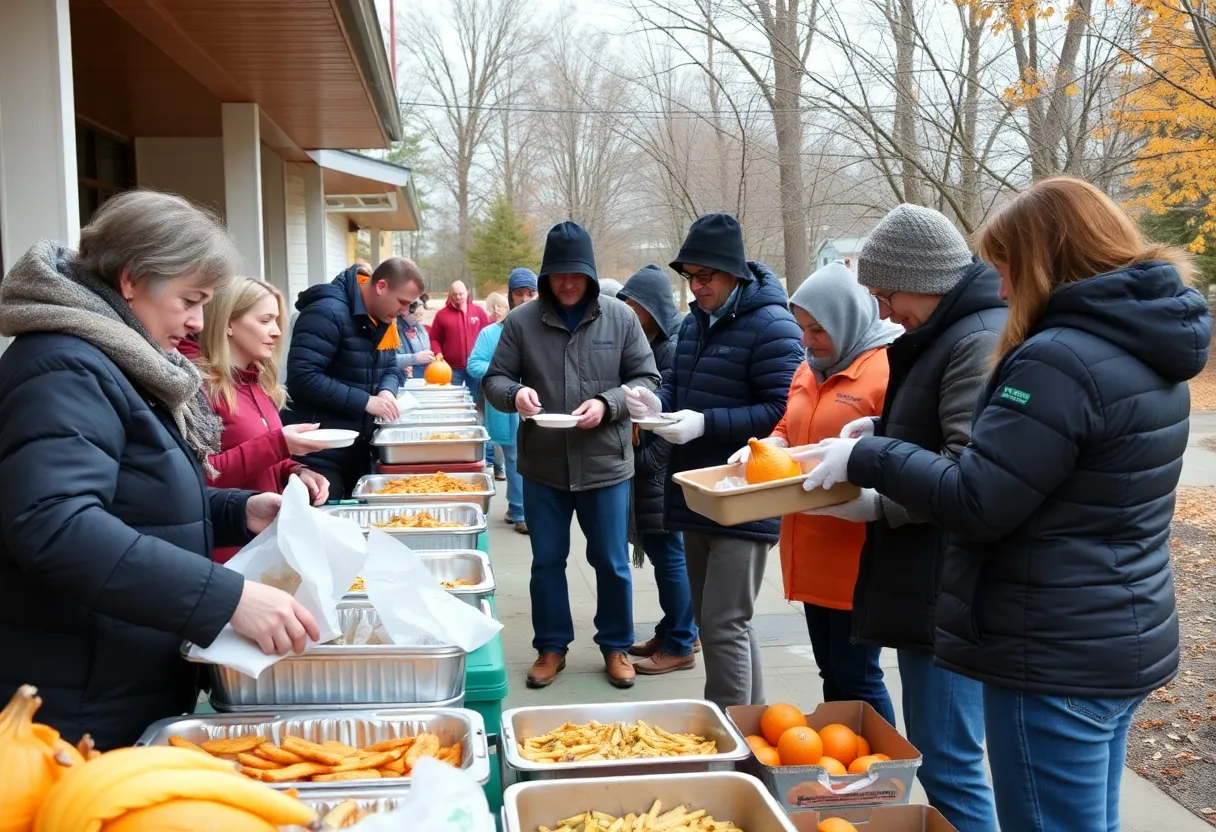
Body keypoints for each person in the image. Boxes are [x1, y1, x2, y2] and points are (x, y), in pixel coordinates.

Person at [800, 179, 1211, 832]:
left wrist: (869, 461)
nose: (998, 290)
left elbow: (977, 498)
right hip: (1114, 634)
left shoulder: (1056, 360)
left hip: (1051, 647)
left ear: (1044, 260)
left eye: (1005, 269)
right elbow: (1041, 470)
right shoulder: (1143, 351)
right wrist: (885, 438)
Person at [0, 191, 319, 749]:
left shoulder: (118, 356)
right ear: (131, 281)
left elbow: (137, 497)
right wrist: (226, 598)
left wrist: (237, 510)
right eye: (189, 300)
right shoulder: (66, 366)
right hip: (76, 698)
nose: (197, 324)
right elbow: (55, 525)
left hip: (118, 675)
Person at [786, 204, 1006, 831]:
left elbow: (967, 470)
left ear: (926, 277)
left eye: (887, 294)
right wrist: (880, 430)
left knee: (950, 764)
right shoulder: (941, 333)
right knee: (938, 757)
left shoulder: (972, 340)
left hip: (949, 581)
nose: (883, 311)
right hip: (926, 582)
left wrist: (877, 484)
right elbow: (933, 430)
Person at [624, 212, 803, 708]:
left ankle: (729, 742)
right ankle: (752, 727)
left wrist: (704, 422)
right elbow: (679, 387)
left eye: (705, 277)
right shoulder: (695, 323)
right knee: (718, 623)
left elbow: (781, 411)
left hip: (746, 493)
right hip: (699, 491)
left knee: (725, 625)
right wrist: (657, 408)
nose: (695, 287)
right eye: (690, 277)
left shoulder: (772, 325)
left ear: (734, 274)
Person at [484, 222, 661, 690]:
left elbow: (648, 379)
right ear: (545, 277)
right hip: (543, 465)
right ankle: (551, 647)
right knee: (546, 560)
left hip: (605, 463)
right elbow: (495, 379)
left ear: (590, 274)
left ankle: (616, 646)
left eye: (576, 275)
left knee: (611, 560)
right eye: (558, 275)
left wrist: (609, 403)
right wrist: (516, 394)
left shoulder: (619, 319)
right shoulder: (521, 322)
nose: (566, 283)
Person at [729, 262, 901, 722]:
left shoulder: (885, 369)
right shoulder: (810, 367)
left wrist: (869, 503)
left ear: (847, 318)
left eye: (818, 328)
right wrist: (771, 444)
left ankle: (881, 771)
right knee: (831, 672)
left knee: (859, 676)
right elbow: (789, 422)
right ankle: (843, 773)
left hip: (856, 555)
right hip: (807, 543)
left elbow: (901, 454)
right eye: (802, 327)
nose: (808, 339)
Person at [180, 277, 332, 563]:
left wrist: (295, 471)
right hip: (227, 553)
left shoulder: (258, 382)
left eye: (276, 321)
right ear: (228, 323)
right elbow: (201, 474)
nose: (275, 332)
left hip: (265, 544)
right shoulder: (198, 387)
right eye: (265, 320)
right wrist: (280, 444)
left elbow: (261, 453)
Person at [617, 265, 699, 674]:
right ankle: (673, 630)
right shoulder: (646, 342)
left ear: (651, 307)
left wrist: (645, 463)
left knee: (671, 557)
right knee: (665, 553)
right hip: (647, 469)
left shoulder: (670, 348)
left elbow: (670, 419)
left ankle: (682, 642)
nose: (627, 309)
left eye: (634, 303)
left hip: (658, 472)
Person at [283, 258, 423, 497]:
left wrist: (386, 391)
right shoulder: (326, 312)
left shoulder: (383, 318)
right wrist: (366, 401)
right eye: (402, 302)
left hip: (357, 449)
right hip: (318, 454)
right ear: (381, 286)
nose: (403, 311)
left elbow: (391, 366)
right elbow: (303, 377)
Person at [468, 271, 538, 533]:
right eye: (518, 293)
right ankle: (521, 511)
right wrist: (503, 372)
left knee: (532, 459)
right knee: (514, 457)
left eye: (529, 293)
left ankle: (515, 505)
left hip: (538, 406)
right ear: (510, 296)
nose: (524, 299)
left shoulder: (544, 328)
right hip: (507, 407)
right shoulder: (491, 333)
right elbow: (474, 364)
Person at [429, 279, 489, 390]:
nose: (458, 297)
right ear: (450, 295)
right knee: (453, 400)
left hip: (475, 367)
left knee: (475, 401)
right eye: (454, 294)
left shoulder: (478, 312)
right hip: (451, 369)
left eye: (461, 294)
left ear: (467, 293)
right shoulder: (441, 315)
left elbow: (488, 335)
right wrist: (437, 353)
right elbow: (433, 338)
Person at [396, 294, 434, 379]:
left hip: (422, 378)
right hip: (400, 380)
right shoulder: (393, 329)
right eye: (416, 314)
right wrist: (414, 358)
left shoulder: (420, 328)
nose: (420, 316)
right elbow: (387, 360)